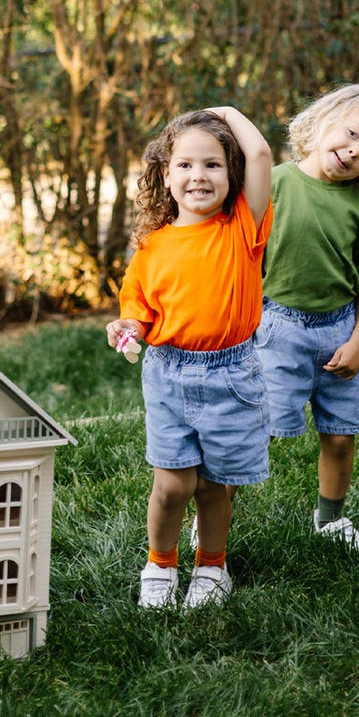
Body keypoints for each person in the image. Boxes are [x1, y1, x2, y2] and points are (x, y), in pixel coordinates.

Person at [107, 106, 273, 610]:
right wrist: (128, 327)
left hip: (232, 374)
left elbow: (260, 152)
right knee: (173, 483)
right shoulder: (151, 247)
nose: (198, 175)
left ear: (232, 175)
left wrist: (223, 112)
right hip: (169, 375)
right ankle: (160, 564)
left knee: (215, 487)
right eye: (185, 164)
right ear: (165, 174)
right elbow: (139, 310)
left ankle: (211, 566)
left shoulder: (242, 227)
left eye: (213, 164)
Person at [255, 83, 359, 551]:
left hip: (341, 332)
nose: (352, 152)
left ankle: (330, 519)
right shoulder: (275, 185)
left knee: (341, 437)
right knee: (254, 434)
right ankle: (212, 521)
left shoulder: (358, 207)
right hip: (277, 331)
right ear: (324, 119)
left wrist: (358, 342)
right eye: (351, 134)